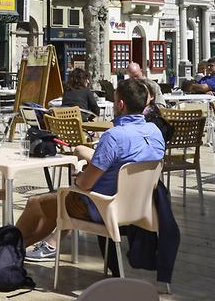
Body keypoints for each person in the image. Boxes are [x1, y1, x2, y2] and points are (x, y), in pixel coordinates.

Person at [19, 79, 165, 262]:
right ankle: (22, 247)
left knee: (36, 202)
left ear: (120, 104)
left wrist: (80, 177)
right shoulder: (155, 131)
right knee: (55, 204)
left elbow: (85, 184)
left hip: (104, 208)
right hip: (141, 208)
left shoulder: (114, 137)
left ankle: (8, 247)